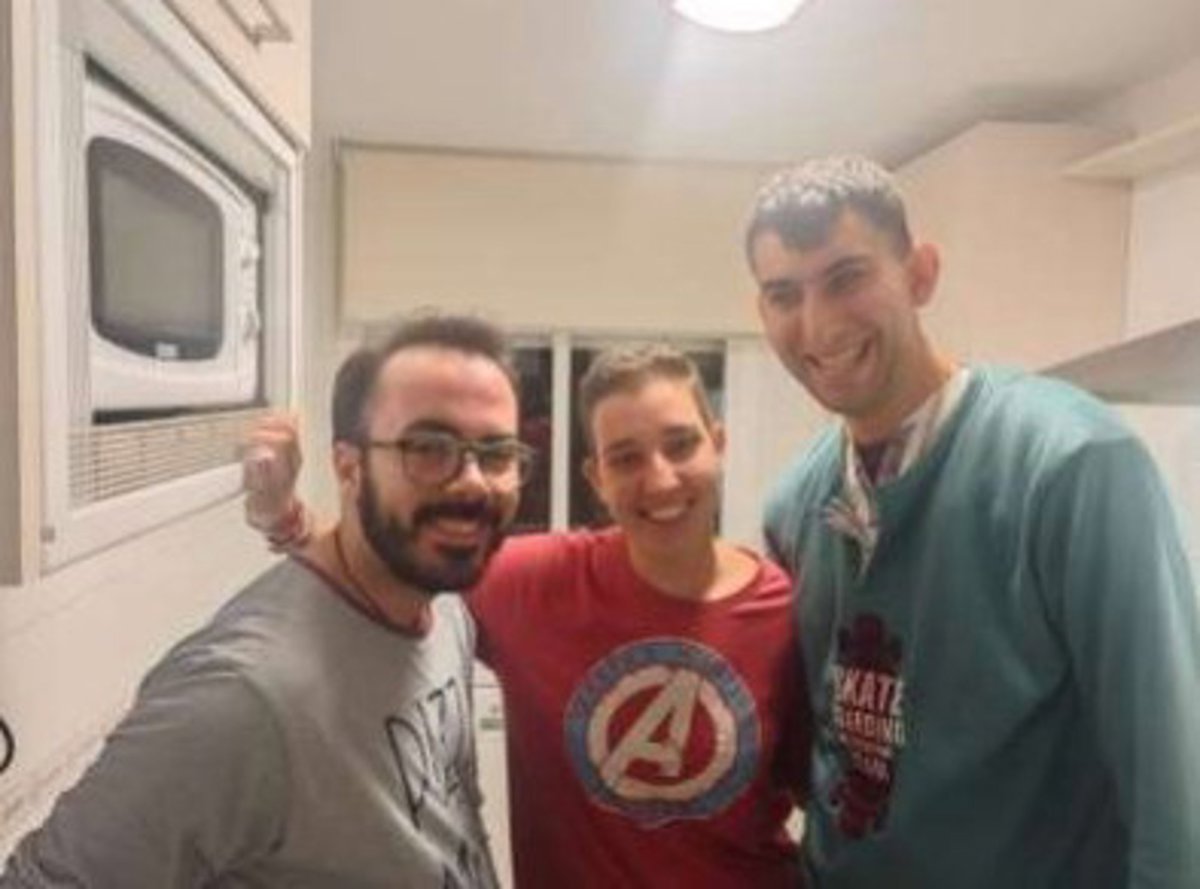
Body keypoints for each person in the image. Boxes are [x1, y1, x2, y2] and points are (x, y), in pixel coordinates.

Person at [744, 155, 1200, 888]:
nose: (817, 323)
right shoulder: (796, 505)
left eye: (847, 278)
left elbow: (1174, 790)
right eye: (783, 294)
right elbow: (822, 755)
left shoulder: (1072, 468)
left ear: (920, 275)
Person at [246, 344, 809, 888]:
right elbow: (388, 569)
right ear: (597, 478)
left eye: (681, 445)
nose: (660, 479)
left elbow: (825, 796)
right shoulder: (535, 584)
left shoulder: (786, 611)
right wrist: (284, 518)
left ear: (718, 445)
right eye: (626, 458)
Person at [1, 314, 525, 887]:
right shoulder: (240, 696)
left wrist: (286, 520)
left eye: (497, 453)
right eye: (428, 448)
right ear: (349, 467)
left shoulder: (446, 612)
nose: (473, 481)